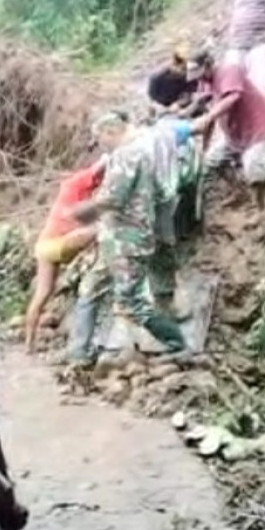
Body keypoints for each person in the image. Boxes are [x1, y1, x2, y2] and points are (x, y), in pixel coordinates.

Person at [65, 112, 190, 364]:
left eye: (100, 140)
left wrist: (83, 211)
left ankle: (176, 341)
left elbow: (114, 198)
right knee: (90, 287)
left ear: (111, 132)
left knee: (130, 301)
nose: (101, 146)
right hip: (115, 237)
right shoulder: (136, 153)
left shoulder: (128, 154)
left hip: (127, 240)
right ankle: (78, 353)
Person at [23, 159, 106, 353]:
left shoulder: (75, 190)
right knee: (98, 229)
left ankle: (29, 343)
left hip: (44, 247)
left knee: (42, 295)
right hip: (56, 245)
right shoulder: (77, 183)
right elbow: (100, 165)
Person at [188, 47, 265, 211]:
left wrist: (209, 117)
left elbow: (233, 97)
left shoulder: (229, 71)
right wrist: (204, 147)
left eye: (201, 74)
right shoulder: (205, 84)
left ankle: (262, 207)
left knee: (253, 166)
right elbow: (210, 115)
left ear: (208, 65)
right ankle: (239, 192)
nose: (199, 79)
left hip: (258, 129)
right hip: (235, 135)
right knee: (212, 161)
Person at [146, 45, 206, 118]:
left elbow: (192, 93)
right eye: (183, 69)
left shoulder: (190, 74)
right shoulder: (156, 78)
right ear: (174, 64)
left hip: (185, 108)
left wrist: (179, 104)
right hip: (163, 111)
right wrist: (162, 109)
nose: (185, 72)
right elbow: (152, 102)